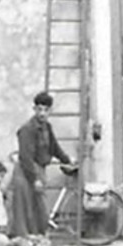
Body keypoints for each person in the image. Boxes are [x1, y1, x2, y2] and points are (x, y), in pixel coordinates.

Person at [8, 91, 74, 237]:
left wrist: (67, 160)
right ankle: (24, 241)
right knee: (25, 210)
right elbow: (25, 157)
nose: (42, 113)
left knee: (39, 210)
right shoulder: (27, 129)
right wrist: (34, 178)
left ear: (50, 111)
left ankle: (38, 239)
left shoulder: (47, 127)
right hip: (26, 172)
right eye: (39, 109)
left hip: (40, 170)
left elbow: (54, 147)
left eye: (46, 110)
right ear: (34, 109)